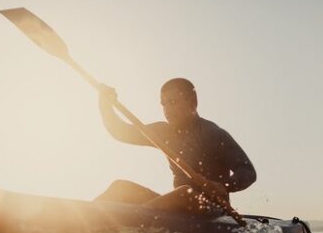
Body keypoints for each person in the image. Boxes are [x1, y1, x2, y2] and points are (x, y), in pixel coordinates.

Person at [95, 78, 256, 215]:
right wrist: (105, 106)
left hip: (213, 210)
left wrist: (223, 186)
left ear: (193, 103)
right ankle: (85, 222)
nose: (167, 110)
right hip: (175, 208)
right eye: (164, 104)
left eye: (172, 102)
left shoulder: (212, 133)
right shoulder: (163, 132)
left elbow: (247, 171)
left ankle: (129, 222)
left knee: (185, 193)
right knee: (120, 188)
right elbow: (120, 132)